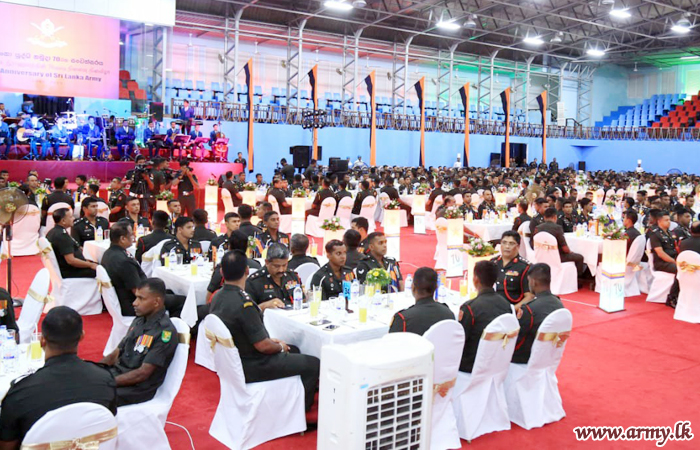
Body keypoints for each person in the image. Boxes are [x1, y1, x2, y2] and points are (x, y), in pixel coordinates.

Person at [210, 250, 320, 411]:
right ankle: (301, 411)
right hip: (253, 364)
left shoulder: (217, 297)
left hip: (233, 361)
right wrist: (279, 347)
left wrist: (273, 343)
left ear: (221, 272)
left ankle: (288, 399)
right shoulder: (244, 304)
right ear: (247, 271)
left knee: (295, 349)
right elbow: (263, 346)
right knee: (313, 363)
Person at [0, 307, 117, 446]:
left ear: (42, 341)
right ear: (82, 336)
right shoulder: (105, 380)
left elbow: (6, 445)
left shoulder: (20, 394)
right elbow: (109, 427)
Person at [100, 278, 178, 406]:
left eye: (141, 299)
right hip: (119, 374)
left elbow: (142, 374)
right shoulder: (139, 320)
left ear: (156, 302)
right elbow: (116, 353)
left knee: (91, 395)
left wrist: (107, 382)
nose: (134, 303)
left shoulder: (164, 332)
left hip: (137, 388)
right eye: (136, 297)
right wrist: (96, 370)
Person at [103, 222, 184, 317]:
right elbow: (138, 292)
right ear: (122, 239)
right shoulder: (125, 261)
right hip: (134, 305)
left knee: (171, 292)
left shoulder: (108, 254)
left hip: (125, 299)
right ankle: (167, 324)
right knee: (183, 300)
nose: (134, 236)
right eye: (131, 234)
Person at [458, 260, 512, 373]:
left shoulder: (470, 308)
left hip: (472, 365)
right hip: (498, 361)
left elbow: (461, 340)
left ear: (475, 279)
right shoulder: (506, 305)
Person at [512, 263, 566, 364]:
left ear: (533, 282)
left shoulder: (529, 309)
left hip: (524, 361)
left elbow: (517, 341)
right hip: (549, 359)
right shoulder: (559, 304)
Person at [389, 267, 454, 335]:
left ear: (413, 287)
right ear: (436, 287)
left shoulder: (403, 319)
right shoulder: (448, 314)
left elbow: (391, 341)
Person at [205, 231, 263, 302]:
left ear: (229, 247)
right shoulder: (257, 265)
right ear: (247, 247)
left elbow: (209, 296)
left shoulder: (224, 266)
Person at [246, 243, 303, 307]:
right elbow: (248, 310)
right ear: (267, 262)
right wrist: (264, 306)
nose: (281, 270)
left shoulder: (292, 276)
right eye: (276, 266)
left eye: (284, 265)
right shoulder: (254, 282)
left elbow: (303, 300)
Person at [47, 208, 98, 278]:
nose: (73, 218)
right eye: (70, 217)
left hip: (63, 269)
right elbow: (71, 261)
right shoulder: (62, 236)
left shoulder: (52, 232)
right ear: (63, 221)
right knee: (102, 270)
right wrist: (90, 265)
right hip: (71, 271)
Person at [534, 207, 586, 275]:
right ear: (555, 217)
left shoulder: (538, 228)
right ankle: (578, 278)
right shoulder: (557, 228)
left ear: (544, 217)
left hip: (542, 255)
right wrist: (570, 252)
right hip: (557, 256)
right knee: (580, 257)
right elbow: (564, 248)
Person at [492, 231, 533, 306]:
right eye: (504, 243)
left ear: (518, 246)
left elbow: (529, 296)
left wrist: (513, 309)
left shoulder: (525, 267)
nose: (507, 246)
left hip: (513, 307)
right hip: (492, 305)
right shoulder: (492, 263)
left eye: (511, 243)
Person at [649, 211, 680, 307]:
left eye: (669, 220)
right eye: (666, 220)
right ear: (659, 221)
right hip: (662, 263)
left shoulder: (670, 233)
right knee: (680, 270)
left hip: (673, 259)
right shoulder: (655, 234)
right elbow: (660, 253)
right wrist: (674, 262)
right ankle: (672, 297)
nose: (669, 222)